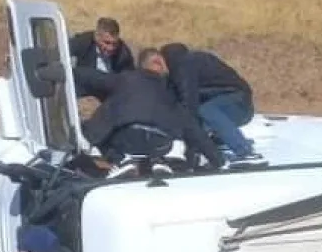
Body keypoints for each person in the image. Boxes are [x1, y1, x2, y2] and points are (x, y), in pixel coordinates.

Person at [83, 63, 224, 171]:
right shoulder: (167, 93)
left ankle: (121, 161)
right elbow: (192, 128)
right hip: (160, 142)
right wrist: (218, 160)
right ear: (157, 63)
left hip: (127, 138)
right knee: (173, 139)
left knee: (103, 131)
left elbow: (92, 78)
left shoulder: (124, 79)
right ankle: (160, 162)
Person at [149, 43, 257, 161]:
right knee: (202, 112)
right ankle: (222, 141)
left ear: (161, 60)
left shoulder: (183, 66)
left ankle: (244, 150)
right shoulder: (189, 62)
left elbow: (189, 103)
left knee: (206, 111)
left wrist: (191, 145)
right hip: (236, 102)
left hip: (237, 103)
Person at [69, 17, 135, 100]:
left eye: (114, 43)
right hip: (84, 93)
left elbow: (128, 83)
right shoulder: (83, 42)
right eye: (107, 43)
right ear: (96, 37)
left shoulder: (123, 54)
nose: (111, 48)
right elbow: (61, 53)